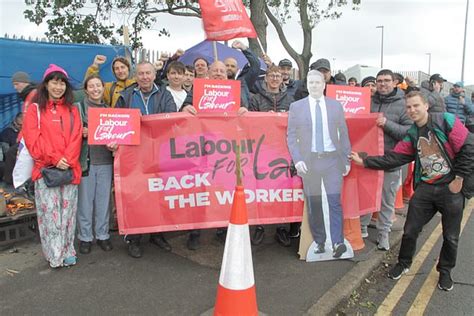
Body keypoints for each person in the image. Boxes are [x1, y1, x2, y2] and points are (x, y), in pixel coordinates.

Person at [351, 91, 474, 291]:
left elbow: (469, 147)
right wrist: (365, 161)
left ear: (425, 106)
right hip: (426, 188)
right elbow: (396, 157)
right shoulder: (413, 133)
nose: (412, 110)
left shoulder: (446, 120)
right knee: (410, 230)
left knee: (451, 236)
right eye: (408, 107)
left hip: (451, 188)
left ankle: (445, 272)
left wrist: (458, 179)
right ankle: (403, 263)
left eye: (416, 105)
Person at [181, 60, 249, 250]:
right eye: (215, 70)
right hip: (201, 148)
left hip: (225, 149)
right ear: (208, 73)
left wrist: (244, 110)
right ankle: (195, 232)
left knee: (224, 190)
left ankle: (223, 230)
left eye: (222, 70)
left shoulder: (234, 90)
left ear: (227, 74)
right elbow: (185, 107)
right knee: (199, 190)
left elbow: (245, 109)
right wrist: (186, 108)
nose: (219, 73)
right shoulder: (197, 89)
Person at [22, 64, 83, 268]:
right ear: (46, 84)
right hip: (45, 170)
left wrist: (68, 159)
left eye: (62, 83)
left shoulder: (73, 110)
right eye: (54, 82)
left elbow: (76, 138)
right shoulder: (34, 110)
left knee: (68, 214)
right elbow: (33, 141)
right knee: (50, 216)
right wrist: (56, 158)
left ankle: (68, 250)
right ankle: (54, 253)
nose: (58, 87)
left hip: (69, 170)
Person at [287, 70, 351, 258]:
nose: (314, 85)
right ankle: (321, 242)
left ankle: (338, 242)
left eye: (317, 82)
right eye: (310, 82)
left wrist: (346, 158)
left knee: (334, 201)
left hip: (332, 160)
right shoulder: (296, 107)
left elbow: (343, 133)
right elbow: (291, 136)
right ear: (307, 85)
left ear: (324, 85)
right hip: (310, 161)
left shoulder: (335, 106)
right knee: (314, 203)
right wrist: (297, 160)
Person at [116, 61, 177, 258]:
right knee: (135, 194)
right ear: (136, 76)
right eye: (140, 73)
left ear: (153, 74)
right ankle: (134, 238)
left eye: (147, 73)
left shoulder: (164, 94)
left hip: (158, 151)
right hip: (133, 154)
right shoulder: (125, 96)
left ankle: (157, 233)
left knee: (158, 193)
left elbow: (171, 119)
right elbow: (117, 122)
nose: (144, 77)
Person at [359, 69, 412, 250]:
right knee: (365, 195)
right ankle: (362, 228)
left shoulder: (403, 104)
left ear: (394, 82)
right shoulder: (368, 101)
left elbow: (408, 132)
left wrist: (387, 124)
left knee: (387, 200)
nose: (382, 84)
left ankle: (383, 235)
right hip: (369, 159)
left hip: (391, 159)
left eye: (386, 80)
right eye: (379, 80)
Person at [248, 65, 294, 246]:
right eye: (271, 75)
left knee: (284, 190)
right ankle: (259, 226)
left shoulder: (291, 100)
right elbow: (249, 124)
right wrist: (263, 120)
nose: (275, 78)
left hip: (285, 150)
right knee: (261, 189)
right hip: (263, 150)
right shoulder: (256, 99)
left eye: (278, 75)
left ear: (282, 79)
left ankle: (281, 228)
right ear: (265, 79)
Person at [76, 74, 115, 255]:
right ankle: (85, 237)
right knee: (85, 202)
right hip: (87, 161)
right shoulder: (79, 109)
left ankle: (102, 234)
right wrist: (80, 131)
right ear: (86, 90)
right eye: (91, 86)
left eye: (98, 86)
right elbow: (69, 131)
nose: (95, 89)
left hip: (106, 160)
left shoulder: (110, 110)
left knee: (103, 201)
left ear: (103, 88)